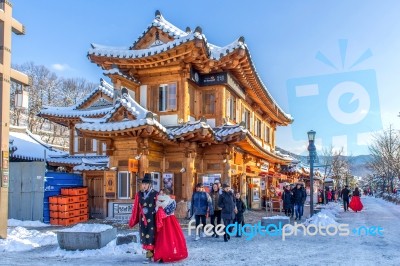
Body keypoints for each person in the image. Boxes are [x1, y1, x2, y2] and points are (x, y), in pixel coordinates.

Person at [129, 173, 158, 263]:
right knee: (144, 237)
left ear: (149, 184)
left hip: (152, 218)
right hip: (143, 219)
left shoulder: (155, 194)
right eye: (143, 184)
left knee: (151, 237)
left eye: (145, 184)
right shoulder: (139, 194)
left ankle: (150, 256)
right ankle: (149, 255)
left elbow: (159, 207)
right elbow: (135, 208)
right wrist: (133, 219)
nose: (144, 186)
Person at [153, 189, 188, 263]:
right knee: (161, 239)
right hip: (161, 222)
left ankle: (170, 253)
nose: (161, 195)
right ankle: (161, 254)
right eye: (160, 194)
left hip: (169, 222)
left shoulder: (172, 201)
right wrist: (159, 208)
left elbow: (169, 211)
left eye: (163, 194)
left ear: (167, 194)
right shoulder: (157, 202)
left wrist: (161, 208)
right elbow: (156, 210)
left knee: (170, 238)